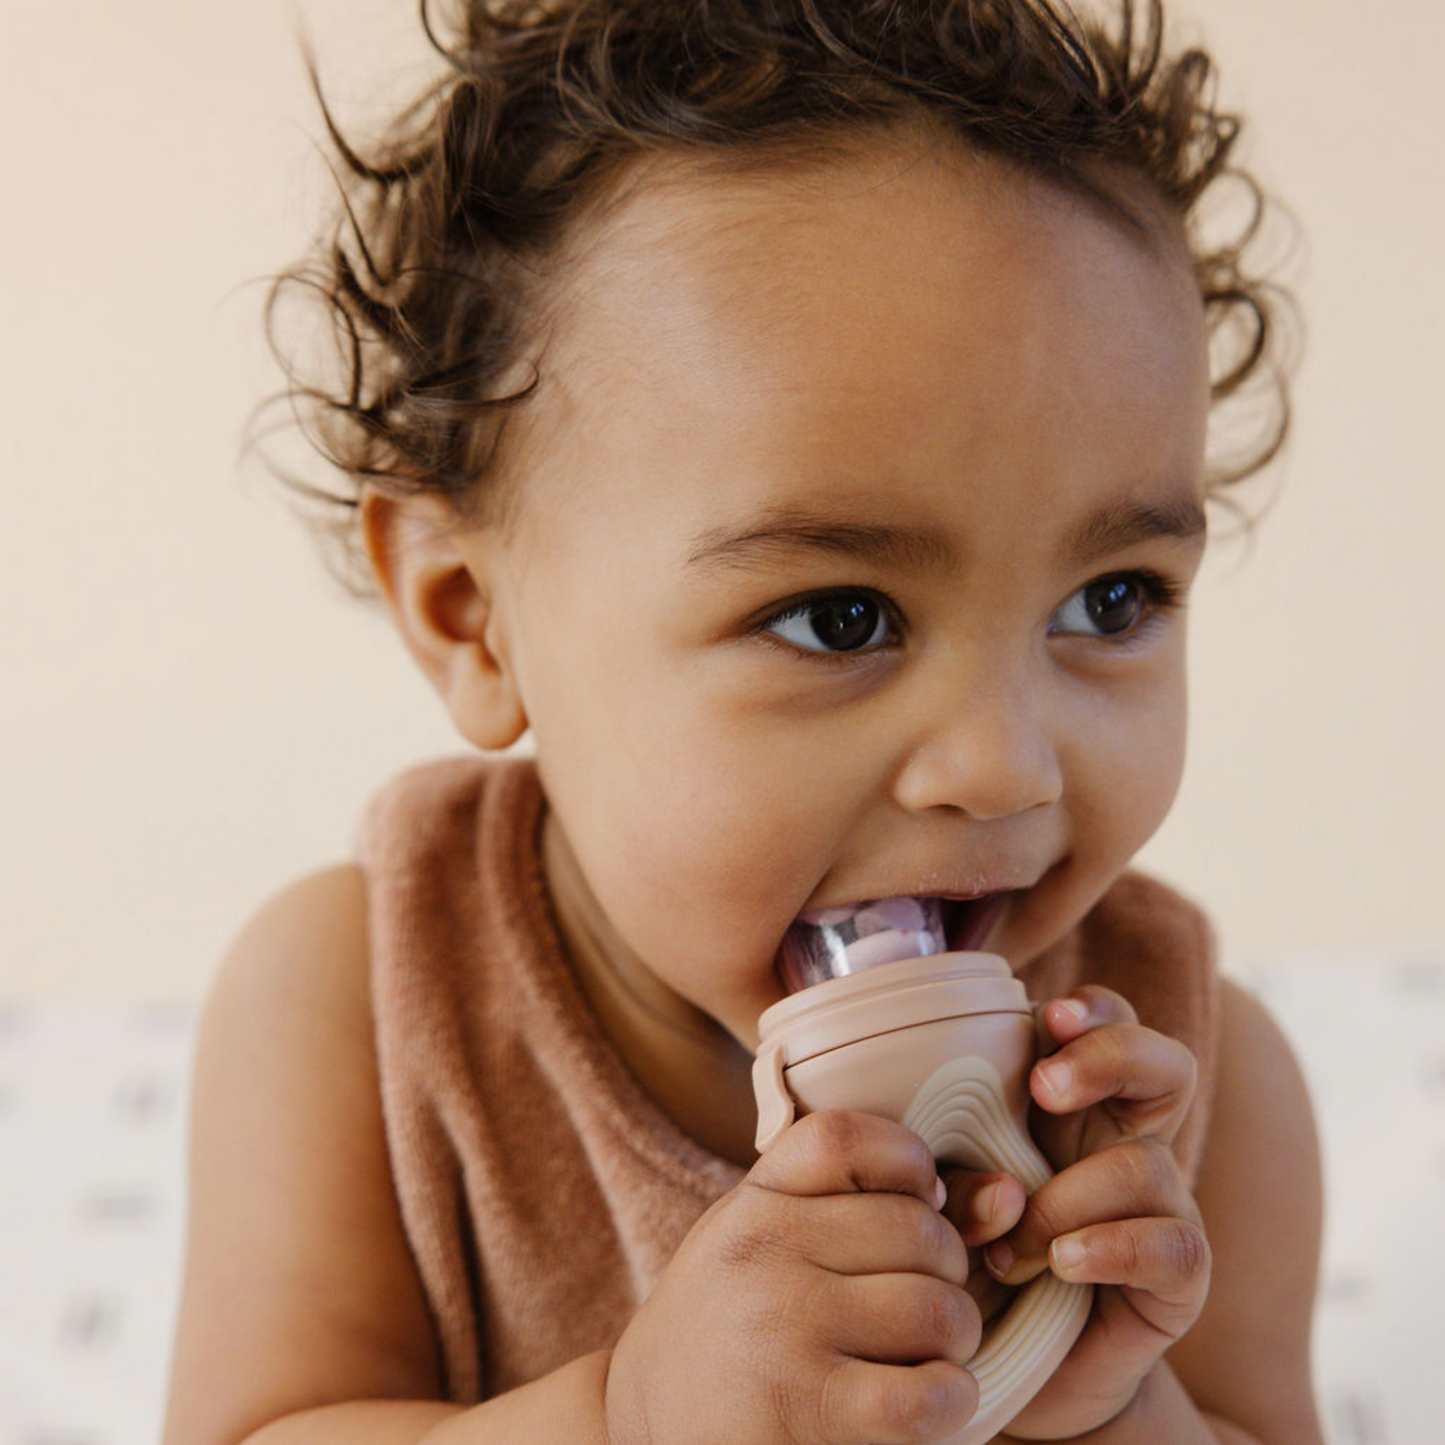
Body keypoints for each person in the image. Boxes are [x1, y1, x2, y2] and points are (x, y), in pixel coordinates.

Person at [162, 2, 1323, 1442]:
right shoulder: (363, 1005)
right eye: (842, 616)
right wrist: (632, 1418)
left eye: (1109, 601)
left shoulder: (1197, 1101)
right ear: (473, 615)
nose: (1002, 765)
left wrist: (1105, 1405)